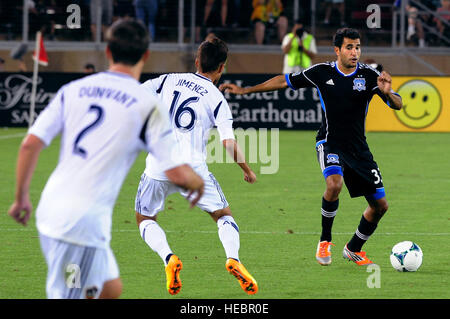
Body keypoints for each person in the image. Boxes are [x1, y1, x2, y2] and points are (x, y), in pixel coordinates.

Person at [7, 19, 205, 299]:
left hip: (55, 209)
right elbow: (177, 174)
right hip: (80, 225)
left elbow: (29, 145)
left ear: (108, 52)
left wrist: (21, 197)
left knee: (111, 289)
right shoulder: (146, 105)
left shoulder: (73, 89)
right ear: (146, 56)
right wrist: (197, 181)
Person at [220, 28, 403, 267]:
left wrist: (389, 94)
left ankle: (353, 248)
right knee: (334, 183)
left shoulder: (370, 76)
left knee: (380, 206)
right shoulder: (321, 72)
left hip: (359, 149)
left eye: (357, 47)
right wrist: (247, 90)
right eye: (349, 47)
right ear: (337, 50)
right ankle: (325, 240)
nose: (355, 52)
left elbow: (398, 104)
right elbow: (283, 81)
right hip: (330, 142)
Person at [134, 36, 258, 295]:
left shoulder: (168, 79)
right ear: (222, 67)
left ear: (197, 60)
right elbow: (228, 143)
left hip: (159, 164)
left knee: (145, 217)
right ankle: (233, 258)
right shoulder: (217, 98)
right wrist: (246, 169)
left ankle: (169, 258)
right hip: (193, 169)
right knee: (223, 216)